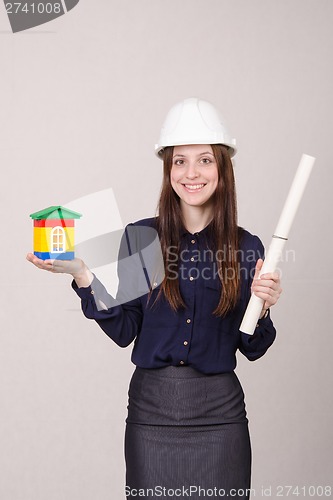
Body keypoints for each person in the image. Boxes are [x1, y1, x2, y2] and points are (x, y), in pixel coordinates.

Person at [27, 97, 282, 499]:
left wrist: (262, 307)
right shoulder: (140, 237)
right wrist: (83, 275)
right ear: (168, 169)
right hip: (151, 416)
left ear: (223, 169)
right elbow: (125, 330)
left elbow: (252, 347)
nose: (191, 172)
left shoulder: (245, 246)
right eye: (179, 161)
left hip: (221, 418)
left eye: (205, 160)